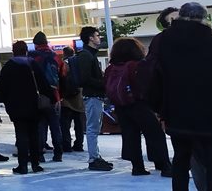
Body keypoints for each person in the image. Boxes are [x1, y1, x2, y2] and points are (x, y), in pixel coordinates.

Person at [153, 2, 212, 190]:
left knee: (180, 158)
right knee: (211, 160)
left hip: (176, 112)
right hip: (208, 113)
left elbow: (156, 78)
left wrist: (161, 111)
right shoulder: (211, 42)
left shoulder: (162, 41)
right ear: (203, 18)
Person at [105, 37, 171, 177]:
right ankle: (163, 165)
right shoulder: (136, 65)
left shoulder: (111, 68)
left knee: (130, 135)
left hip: (121, 106)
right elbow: (147, 86)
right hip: (139, 104)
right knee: (155, 134)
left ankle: (137, 167)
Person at [0, 40, 51, 174]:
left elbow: (2, 89)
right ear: (26, 50)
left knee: (21, 135)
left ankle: (22, 166)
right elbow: (43, 84)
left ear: (13, 51)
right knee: (34, 134)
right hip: (34, 105)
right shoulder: (33, 64)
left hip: (16, 107)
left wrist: (6, 103)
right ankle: (35, 163)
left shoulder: (8, 67)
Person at [75, 25, 113, 172]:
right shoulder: (86, 55)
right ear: (91, 38)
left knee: (94, 128)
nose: (99, 38)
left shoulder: (89, 54)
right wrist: (103, 83)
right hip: (92, 96)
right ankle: (93, 158)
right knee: (92, 129)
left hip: (94, 96)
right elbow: (85, 78)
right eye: (97, 35)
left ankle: (95, 156)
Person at [28, 31, 65, 162]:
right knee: (55, 126)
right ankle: (58, 153)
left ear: (35, 44)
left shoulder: (32, 58)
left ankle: (39, 153)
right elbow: (63, 75)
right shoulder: (56, 57)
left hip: (38, 96)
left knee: (40, 125)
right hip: (55, 95)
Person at [59, 46, 85, 153]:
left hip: (66, 99)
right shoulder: (79, 63)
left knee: (65, 125)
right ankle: (79, 144)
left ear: (64, 53)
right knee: (79, 125)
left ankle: (67, 145)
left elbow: (60, 79)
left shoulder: (63, 64)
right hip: (79, 98)